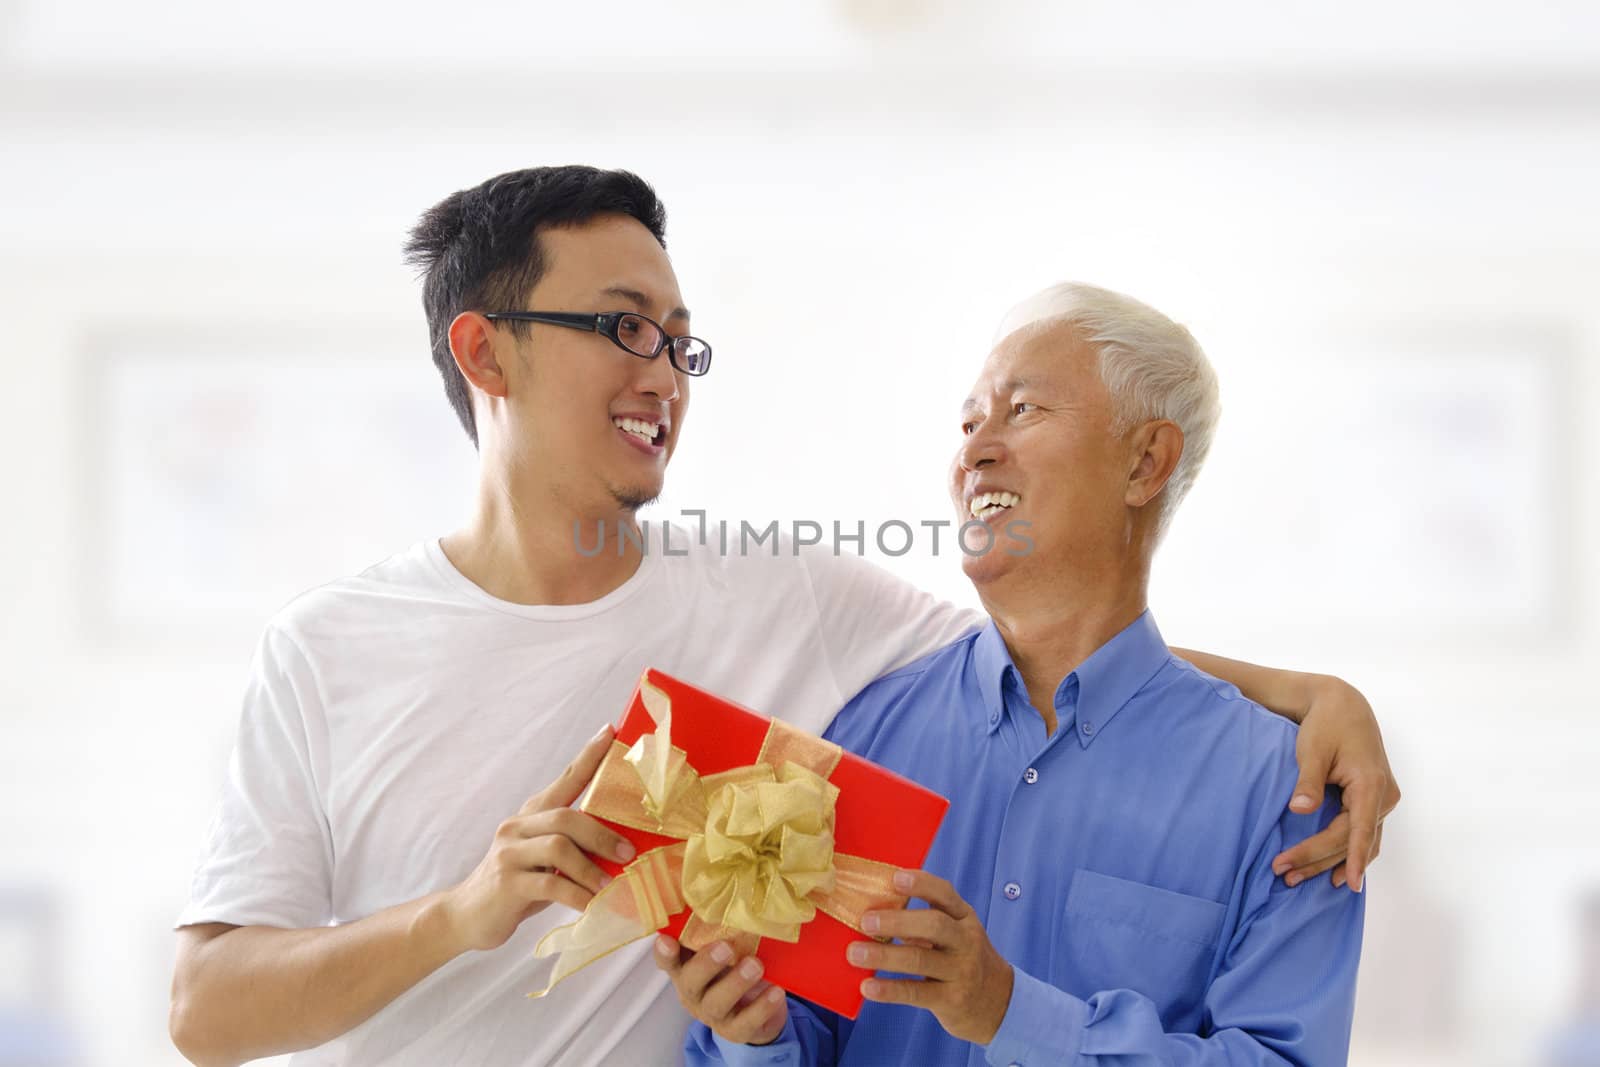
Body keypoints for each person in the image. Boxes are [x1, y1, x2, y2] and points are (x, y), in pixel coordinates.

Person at [168, 168, 1397, 1066]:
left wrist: (1308, 695)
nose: (662, 370)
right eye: (623, 328)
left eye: (680, 343)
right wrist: (466, 910)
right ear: (486, 353)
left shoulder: (790, 605)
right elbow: (204, 1013)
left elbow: (1050, 646)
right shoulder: (325, 648)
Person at [672, 283, 1367, 1065]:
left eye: (1023, 411)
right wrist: (753, 1036)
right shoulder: (857, 737)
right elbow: (802, 1028)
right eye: (969, 422)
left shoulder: (1286, 789)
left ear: (1145, 462)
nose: (973, 451)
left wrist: (1012, 1013)